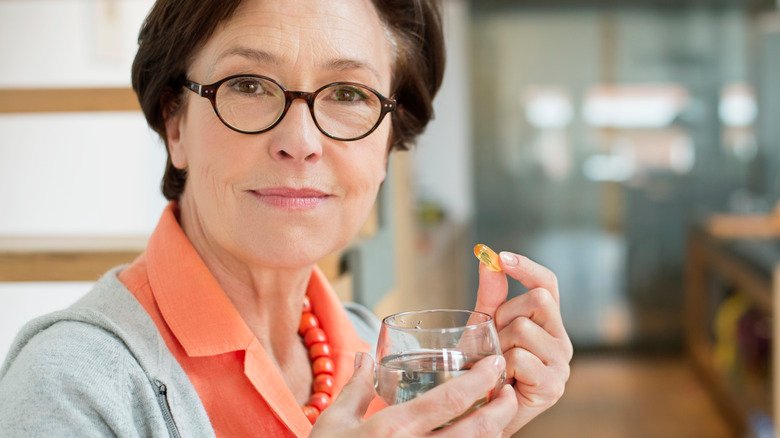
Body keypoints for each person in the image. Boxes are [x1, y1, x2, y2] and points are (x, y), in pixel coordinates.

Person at [0, 0, 572, 436]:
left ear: (389, 143)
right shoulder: (71, 384)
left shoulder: (376, 350)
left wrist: (474, 411)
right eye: (248, 85)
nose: (299, 142)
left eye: (348, 94)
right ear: (176, 125)